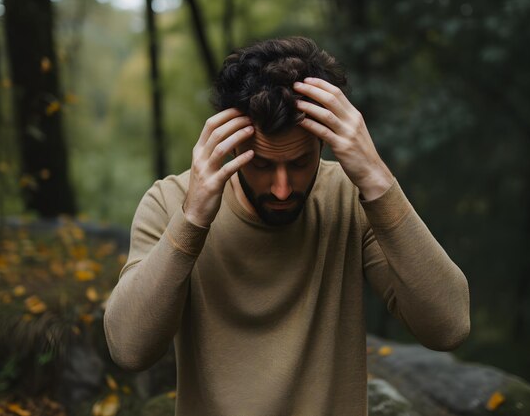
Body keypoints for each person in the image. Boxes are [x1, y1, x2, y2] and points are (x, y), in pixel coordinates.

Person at [104, 36, 470, 416]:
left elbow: (448, 327)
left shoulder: (350, 198)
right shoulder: (170, 203)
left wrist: (378, 180)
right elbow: (129, 349)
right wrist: (192, 220)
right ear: (231, 146)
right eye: (262, 165)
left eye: (299, 163)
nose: (281, 189)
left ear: (325, 145)